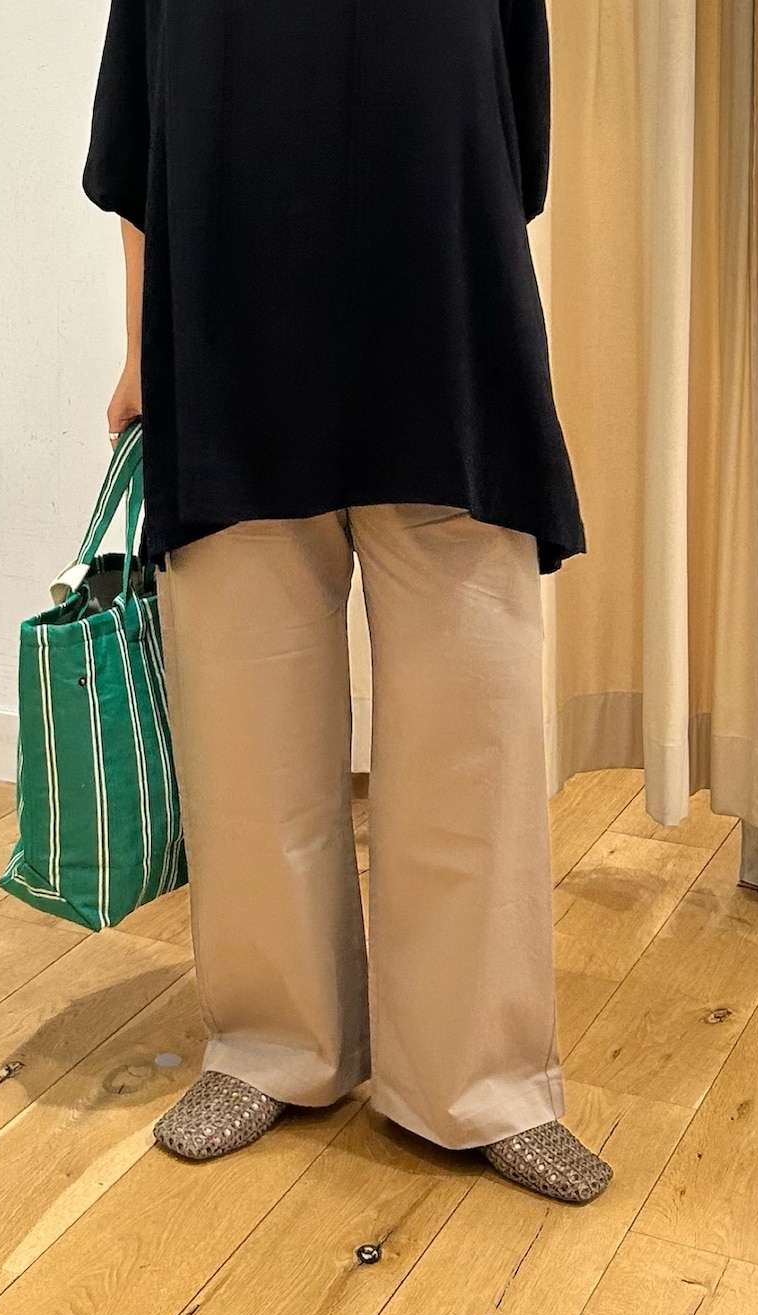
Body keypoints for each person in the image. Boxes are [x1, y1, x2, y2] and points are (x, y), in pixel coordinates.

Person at [82, 0, 613, 1204]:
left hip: (444, 338)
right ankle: (272, 1044)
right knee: (246, 725)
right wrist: (141, 351)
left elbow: (511, 140)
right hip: (227, 342)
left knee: (473, 724)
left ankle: (480, 1079)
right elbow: (134, 142)